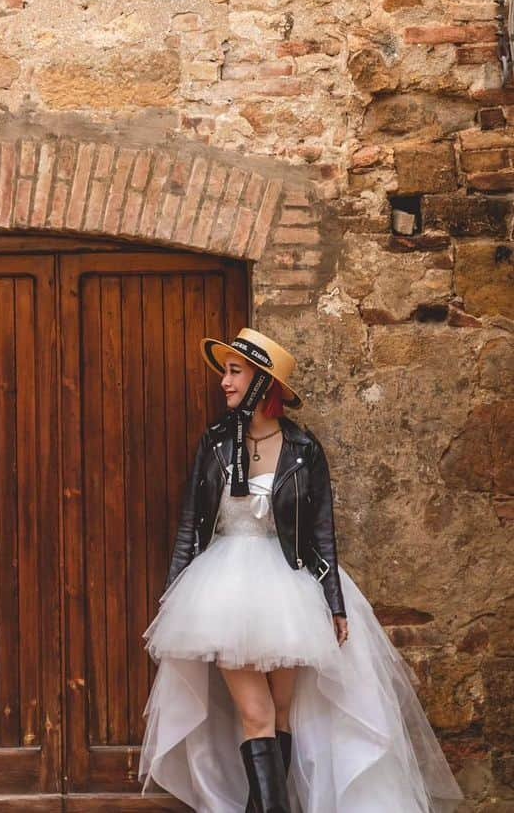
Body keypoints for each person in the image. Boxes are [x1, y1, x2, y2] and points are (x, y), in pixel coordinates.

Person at [138, 328, 462, 813]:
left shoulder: (303, 449)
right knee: (257, 711)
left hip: (289, 586)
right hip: (222, 591)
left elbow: (321, 533)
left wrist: (334, 602)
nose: (223, 383)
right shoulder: (214, 443)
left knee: (282, 712)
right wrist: (173, 600)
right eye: (225, 372)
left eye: (234, 372)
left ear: (262, 383)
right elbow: (190, 524)